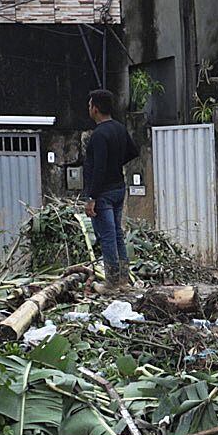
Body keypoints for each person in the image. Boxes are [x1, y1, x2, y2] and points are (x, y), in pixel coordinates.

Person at [80, 88, 137, 289]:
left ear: (95, 108)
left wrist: (91, 197)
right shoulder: (120, 129)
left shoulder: (98, 135)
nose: (88, 109)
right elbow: (133, 151)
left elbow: (99, 168)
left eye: (89, 105)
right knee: (117, 234)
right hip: (118, 188)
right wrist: (116, 163)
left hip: (102, 193)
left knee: (107, 236)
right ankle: (123, 278)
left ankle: (112, 282)